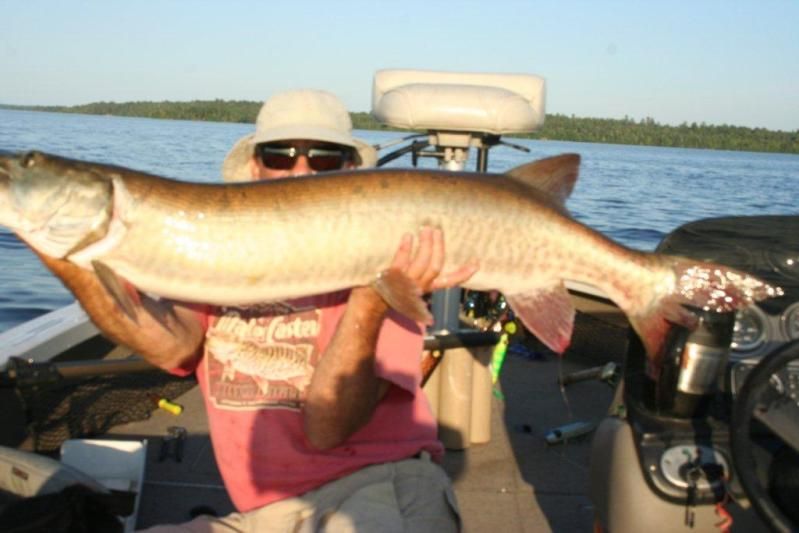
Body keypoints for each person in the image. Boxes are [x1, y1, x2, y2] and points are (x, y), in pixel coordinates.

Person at [37, 89, 476, 532]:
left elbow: (329, 429)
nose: (300, 169)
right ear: (255, 166)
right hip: (262, 518)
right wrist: (63, 254)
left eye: (323, 158)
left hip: (374, 490)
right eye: (280, 155)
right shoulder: (218, 263)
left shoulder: (389, 266)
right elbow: (171, 348)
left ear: (348, 172)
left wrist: (371, 298)